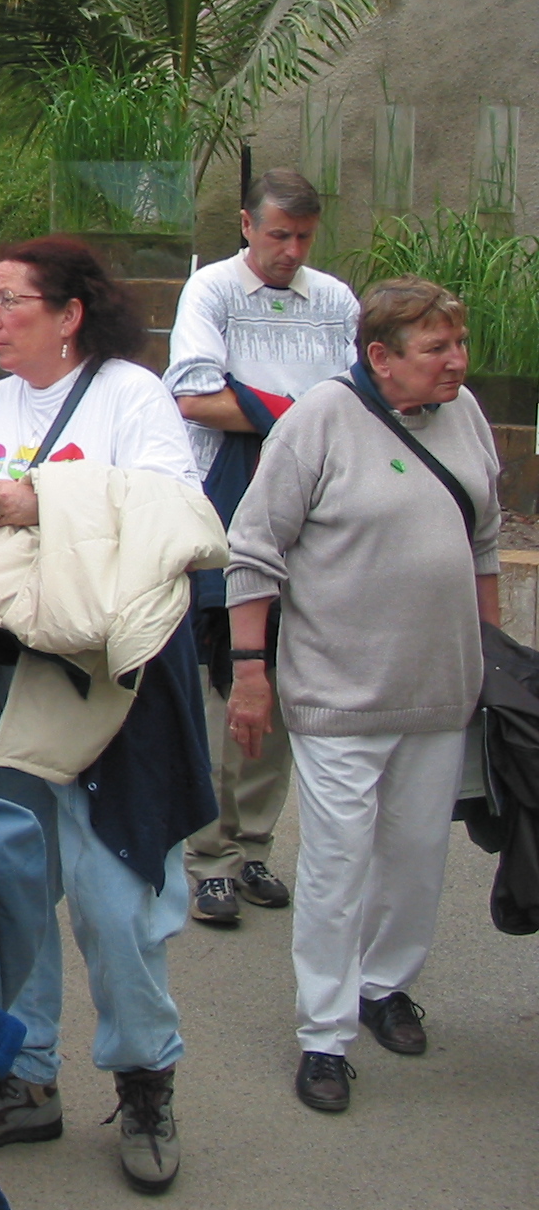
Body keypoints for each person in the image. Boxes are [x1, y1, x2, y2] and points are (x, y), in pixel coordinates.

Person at [0, 237, 211, 1193]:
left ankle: (144, 1074)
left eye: (11, 301)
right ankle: (23, 1075)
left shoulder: (131, 396)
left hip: (105, 679)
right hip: (8, 668)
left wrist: (40, 494)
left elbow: (174, 506)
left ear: (69, 313)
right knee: (8, 878)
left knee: (113, 893)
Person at [223, 277, 499, 1115]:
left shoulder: (466, 412)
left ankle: (384, 987)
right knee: (340, 864)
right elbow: (253, 550)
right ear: (379, 357)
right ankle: (325, 1034)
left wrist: (498, 659)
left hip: (440, 693)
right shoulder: (319, 422)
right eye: (435, 350)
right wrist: (249, 671)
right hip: (340, 693)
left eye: (457, 344)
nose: (455, 362)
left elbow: (483, 538)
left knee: (417, 859)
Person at [166, 168, 358, 927]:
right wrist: (302, 417)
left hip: (317, 497)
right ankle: (206, 853)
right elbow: (194, 393)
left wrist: (265, 409)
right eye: (278, 234)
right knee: (227, 670)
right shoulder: (211, 291)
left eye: (304, 237)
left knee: (286, 665)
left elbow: (358, 403)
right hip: (229, 486)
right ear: (247, 225)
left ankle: (254, 847)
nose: (290, 249)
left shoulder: (336, 300)